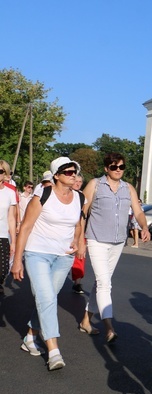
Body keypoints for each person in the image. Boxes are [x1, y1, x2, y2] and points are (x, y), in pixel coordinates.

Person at [11, 157, 83, 370]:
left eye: (74, 171)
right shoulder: (43, 194)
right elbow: (25, 228)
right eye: (68, 172)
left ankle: (30, 337)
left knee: (47, 299)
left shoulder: (79, 197)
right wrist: (17, 261)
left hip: (64, 257)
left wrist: (77, 241)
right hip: (37, 254)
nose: (73, 175)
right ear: (57, 176)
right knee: (47, 297)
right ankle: (53, 350)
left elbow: (78, 223)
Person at [77, 153, 150, 342]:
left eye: (121, 167)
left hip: (118, 242)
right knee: (104, 283)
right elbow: (82, 212)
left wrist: (144, 226)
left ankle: (86, 320)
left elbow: (138, 211)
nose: (118, 170)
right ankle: (109, 326)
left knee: (102, 282)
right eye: (113, 166)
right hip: (96, 239)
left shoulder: (128, 188)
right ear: (106, 168)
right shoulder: (95, 184)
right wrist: (79, 240)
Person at [0, 160, 18, 297]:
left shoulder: (9, 193)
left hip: (3, 236)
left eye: (0, 171)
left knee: (3, 270)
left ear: (5, 174)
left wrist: (14, 242)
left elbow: (11, 218)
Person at [70, 174, 86, 294]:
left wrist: (81, 239)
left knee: (79, 258)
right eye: (76, 181)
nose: (78, 183)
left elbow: (83, 217)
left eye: (80, 182)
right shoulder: (64, 193)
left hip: (78, 230)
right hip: (64, 230)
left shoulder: (82, 197)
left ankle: (77, 282)